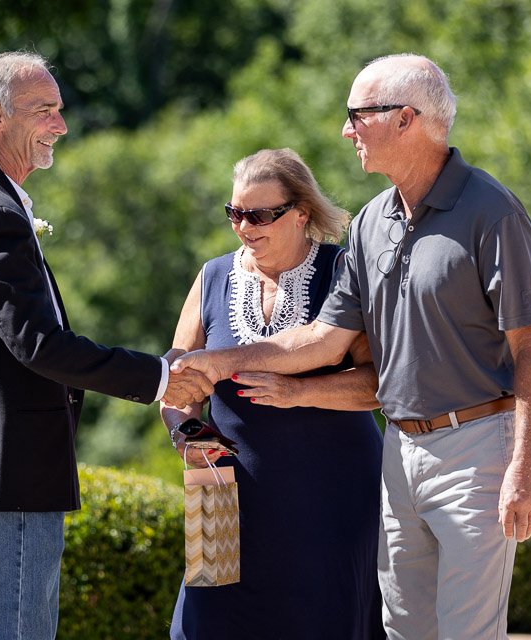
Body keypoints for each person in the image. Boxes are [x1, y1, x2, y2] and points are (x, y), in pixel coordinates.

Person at [172, 54, 531, 640]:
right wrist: (220, 363)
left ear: (407, 119)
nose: (347, 131)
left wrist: (526, 464)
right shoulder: (372, 222)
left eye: (358, 115)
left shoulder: (492, 212)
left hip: (477, 446)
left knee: (466, 631)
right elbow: (321, 338)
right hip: (398, 450)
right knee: (401, 628)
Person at [0, 51, 213, 640]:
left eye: (60, 110)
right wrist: (160, 377)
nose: (61, 125)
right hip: (15, 468)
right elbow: (40, 346)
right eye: (45, 111)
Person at [163, 148, 386, 639]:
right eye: (235, 213)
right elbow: (177, 384)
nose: (245, 226)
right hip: (217, 494)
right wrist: (188, 435)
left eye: (261, 214)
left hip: (332, 495)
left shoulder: (343, 272)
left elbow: (378, 385)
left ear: (301, 213)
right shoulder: (213, 275)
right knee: (202, 626)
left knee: (323, 621)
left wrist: (297, 391)